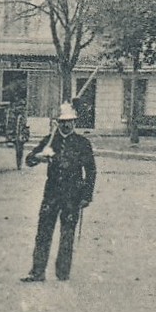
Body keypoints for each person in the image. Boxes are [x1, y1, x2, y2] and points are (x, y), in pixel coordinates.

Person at [21, 102, 96, 283]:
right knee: (44, 232)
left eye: (69, 122)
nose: (66, 125)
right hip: (52, 194)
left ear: (74, 123)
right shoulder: (50, 140)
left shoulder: (82, 144)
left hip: (73, 196)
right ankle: (37, 272)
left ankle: (63, 273)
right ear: (58, 123)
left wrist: (86, 196)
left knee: (67, 234)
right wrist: (40, 156)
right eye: (63, 122)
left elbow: (91, 171)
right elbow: (28, 160)